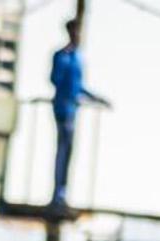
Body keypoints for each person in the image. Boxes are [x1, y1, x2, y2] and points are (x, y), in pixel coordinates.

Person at [49, 18, 109, 209]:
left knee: (68, 152)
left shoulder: (77, 58)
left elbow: (78, 87)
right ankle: (57, 193)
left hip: (72, 110)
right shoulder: (62, 56)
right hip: (62, 109)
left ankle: (62, 192)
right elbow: (55, 79)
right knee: (63, 149)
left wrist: (96, 98)